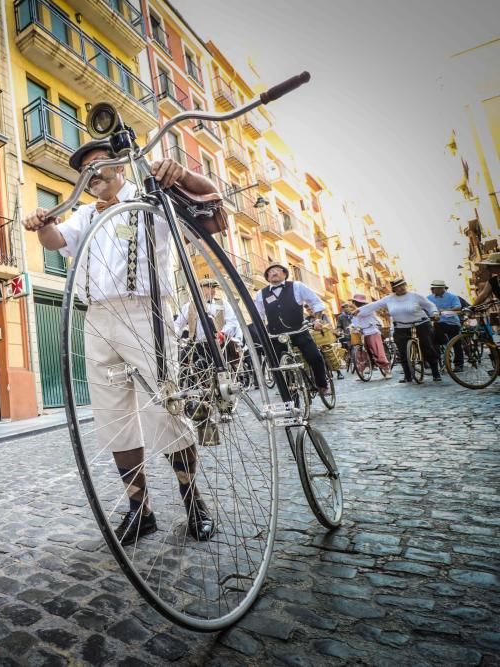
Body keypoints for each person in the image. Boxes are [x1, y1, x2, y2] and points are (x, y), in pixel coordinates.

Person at [21, 139, 220, 545]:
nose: (92, 173)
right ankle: (139, 509)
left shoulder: (150, 198)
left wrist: (178, 173)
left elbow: (208, 204)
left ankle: (193, 503)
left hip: (146, 312)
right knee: (113, 418)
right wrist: (43, 224)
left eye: (99, 164)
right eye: (85, 169)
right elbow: (56, 241)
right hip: (97, 318)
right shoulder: (83, 215)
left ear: (121, 166)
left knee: (166, 411)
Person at [174, 278, 240, 446]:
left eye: (213, 287)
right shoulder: (189, 306)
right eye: (207, 287)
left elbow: (232, 321)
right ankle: (204, 407)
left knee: (220, 376)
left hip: (217, 343)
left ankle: (225, 409)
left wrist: (223, 333)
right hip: (196, 344)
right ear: (200, 289)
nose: (211, 290)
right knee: (196, 373)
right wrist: (175, 336)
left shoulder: (222, 303)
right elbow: (178, 323)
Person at [253, 264, 332, 395]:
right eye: (269, 272)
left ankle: (322, 385)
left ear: (284, 273)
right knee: (277, 365)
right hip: (276, 335)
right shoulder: (261, 294)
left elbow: (316, 303)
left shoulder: (297, 286)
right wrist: (261, 332)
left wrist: (317, 319)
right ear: (267, 277)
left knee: (315, 357)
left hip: (299, 331)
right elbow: (258, 315)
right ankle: (289, 389)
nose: (273, 273)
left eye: (276, 270)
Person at [358, 278, 440, 382]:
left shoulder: (415, 296)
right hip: (401, 327)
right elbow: (374, 305)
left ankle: (436, 373)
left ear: (405, 285)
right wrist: (359, 310)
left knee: (427, 348)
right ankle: (407, 376)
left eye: (402, 285)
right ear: (394, 289)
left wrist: (434, 313)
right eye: (397, 287)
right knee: (403, 352)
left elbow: (429, 305)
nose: (400, 288)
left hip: (420, 324)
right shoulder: (389, 299)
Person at [343, 295, 392, 378]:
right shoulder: (355, 312)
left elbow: (364, 312)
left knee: (378, 352)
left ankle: (386, 369)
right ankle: (361, 372)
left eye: (356, 302)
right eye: (355, 302)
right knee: (360, 354)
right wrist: (352, 327)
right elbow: (355, 322)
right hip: (362, 334)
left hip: (372, 332)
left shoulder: (368, 308)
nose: (355, 304)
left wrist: (357, 311)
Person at [427, 279, 464, 372]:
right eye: (432, 288)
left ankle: (459, 364)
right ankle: (437, 359)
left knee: (456, 344)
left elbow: (458, 307)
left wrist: (443, 311)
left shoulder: (452, 297)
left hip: (452, 323)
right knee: (432, 339)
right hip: (438, 324)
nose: (433, 290)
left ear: (442, 288)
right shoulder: (429, 298)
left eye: (434, 288)